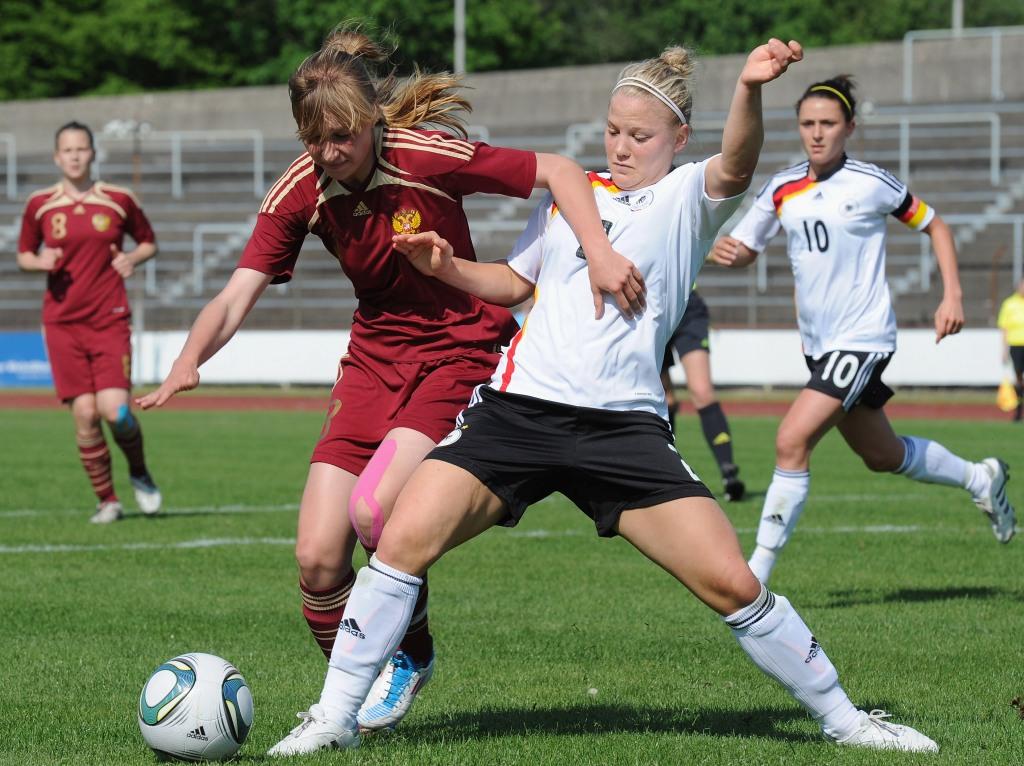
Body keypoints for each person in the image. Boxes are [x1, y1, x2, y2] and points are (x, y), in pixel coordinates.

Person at [269, 40, 943, 757]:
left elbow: (739, 162)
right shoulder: (574, 197)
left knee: (732, 584)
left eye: (640, 136)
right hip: (516, 412)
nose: (621, 147)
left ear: (678, 139)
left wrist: (748, 87)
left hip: (622, 430)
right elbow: (517, 285)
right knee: (400, 541)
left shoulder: (689, 196)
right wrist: (450, 267)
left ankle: (847, 721)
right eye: (613, 132)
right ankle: (333, 718)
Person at [138, 23, 643, 731]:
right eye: (315, 139)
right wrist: (189, 360)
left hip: (461, 349)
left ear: (372, 121)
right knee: (317, 560)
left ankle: (409, 655)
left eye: (342, 137)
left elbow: (560, 170)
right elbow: (234, 294)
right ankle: (359, 687)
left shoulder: (425, 155)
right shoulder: (301, 190)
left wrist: (596, 252)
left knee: (375, 512)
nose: (329, 153)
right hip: (375, 360)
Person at [709, 75, 1016, 585]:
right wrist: (731, 254)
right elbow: (746, 250)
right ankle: (979, 476)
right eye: (808, 123)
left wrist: (953, 295)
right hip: (818, 346)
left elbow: (934, 224)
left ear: (850, 127)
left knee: (791, 440)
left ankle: (754, 574)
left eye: (828, 123)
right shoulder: (781, 188)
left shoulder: (873, 182)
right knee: (882, 455)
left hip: (863, 339)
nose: (817, 133)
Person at [16, 121, 162, 524]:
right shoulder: (40, 204)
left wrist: (131, 258)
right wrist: (37, 262)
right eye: (68, 149)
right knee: (84, 413)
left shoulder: (118, 200)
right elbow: (24, 253)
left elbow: (148, 241)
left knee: (115, 411)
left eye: (82, 148)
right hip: (62, 322)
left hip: (110, 318)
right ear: (56, 157)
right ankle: (107, 500)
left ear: (93, 153)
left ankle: (139, 470)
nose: (75, 155)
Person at [660, 289, 745, 500]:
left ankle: (728, 473)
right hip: (649, 303)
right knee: (664, 398)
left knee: (702, 392)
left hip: (687, 303)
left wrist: (715, 254)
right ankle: (666, 473)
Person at [997, 277, 1024, 422]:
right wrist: (1004, 350)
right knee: (1018, 379)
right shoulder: (1009, 304)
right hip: (1016, 346)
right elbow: (1004, 328)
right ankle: (1019, 410)